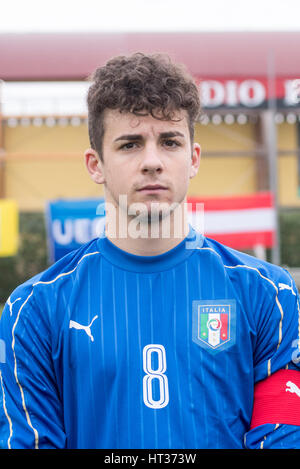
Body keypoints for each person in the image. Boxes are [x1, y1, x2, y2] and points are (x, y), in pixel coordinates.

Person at [0, 52, 300, 450]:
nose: (153, 162)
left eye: (170, 141)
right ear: (96, 164)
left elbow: (282, 440)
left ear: (193, 158)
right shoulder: (35, 309)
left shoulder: (269, 295)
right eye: (130, 144)